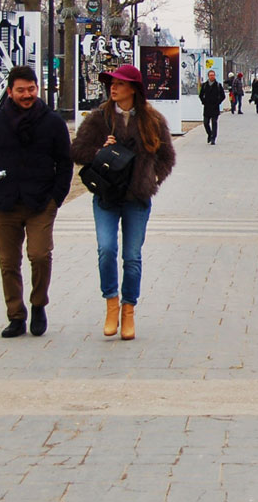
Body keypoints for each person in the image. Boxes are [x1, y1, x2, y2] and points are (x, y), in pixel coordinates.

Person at [71, 65, 176, 340]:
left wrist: (153, 178)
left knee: (132, 256)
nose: (113, 88)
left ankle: (128, 310)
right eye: (111, 83)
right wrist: (99, 151)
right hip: (107, 195)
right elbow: (77, 151)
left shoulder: (153, 120)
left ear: (133, 89)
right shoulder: (99, 118)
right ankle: (111, 304)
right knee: (106, 249)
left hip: (137, 198)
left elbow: (167, 157)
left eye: (119, 83)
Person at [0, 65, 72, 338]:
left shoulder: (52, 122)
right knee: (8, 262)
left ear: (37, 89)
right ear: (10, 91)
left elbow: (64, 163)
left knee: (39, 255)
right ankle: (16, 315)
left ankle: (38, 304)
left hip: (41, 203)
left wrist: (56, 198)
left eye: (31, 89)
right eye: (21, 90)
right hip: (3, 203)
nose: (27, 94)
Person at [199, 69, 225, 145]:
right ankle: (209, 134)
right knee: (205, 123)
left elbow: (223, 96)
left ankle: (213, 138)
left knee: (214, 123)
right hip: (207, 107)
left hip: (215, 107)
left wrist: (218, 102)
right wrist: (203, 101)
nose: (212, 77)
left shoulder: (218, 85)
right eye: (210, 75)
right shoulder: (204, 85)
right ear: (208, 76)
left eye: (213, 75)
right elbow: (200, 95)